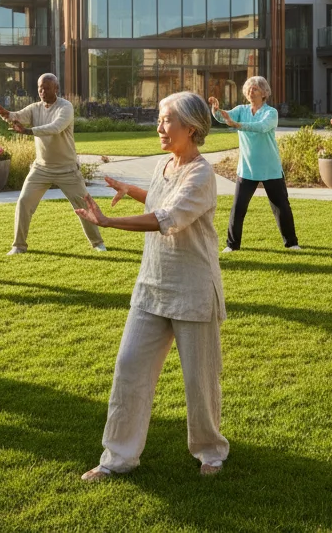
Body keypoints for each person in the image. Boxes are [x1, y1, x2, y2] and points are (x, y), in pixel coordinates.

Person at [74, 92, 229, 480]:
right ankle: (118, 457)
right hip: (152, 285)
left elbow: (169, 216)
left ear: (190, 127)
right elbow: (161, 199)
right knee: (129, 368)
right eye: (159, 119)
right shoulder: (164, 165)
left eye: (166, 120)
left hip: (193, 289)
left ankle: (210, 451)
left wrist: (109, 223)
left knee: (199, 380)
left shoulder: (202, 174)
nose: (159, 127)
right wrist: (134, 191)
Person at [0, 73, 105, 256]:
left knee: (84, 204)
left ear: (56, 89)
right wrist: (5, 114)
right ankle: (19, 246)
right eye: (40, 88)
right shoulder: (35, 108)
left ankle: (97, 242)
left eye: (47, 88)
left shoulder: (65, 107)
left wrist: (27, 131)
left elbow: (55, 127)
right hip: (41, 168)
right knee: (24, 202)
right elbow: (17, 116)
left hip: (67, 169)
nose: (42, 91)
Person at [209, 75, 298, 252]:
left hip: (269, 168)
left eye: (255, 88)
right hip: (247, 169)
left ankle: (292, 243)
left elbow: (261, 127)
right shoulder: (241, 109)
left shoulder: (270, 113)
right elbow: (224, 118)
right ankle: (232, 245)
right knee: (238, 207)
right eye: (249, 88)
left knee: (281, 207)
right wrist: (216, 111)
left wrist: (238, 125)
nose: (251, 91)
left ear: (264, 93)